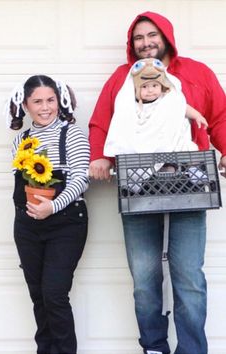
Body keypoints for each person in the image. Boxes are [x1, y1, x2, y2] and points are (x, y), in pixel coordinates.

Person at [88, 11, 226, 354]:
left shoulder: (196, 73)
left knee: (189, 277)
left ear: (166, 36)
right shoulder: (122, 78)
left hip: (189, 183)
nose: (146, 43)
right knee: (144, 279)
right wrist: (98, 157)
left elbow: (220, 115)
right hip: (137, 184)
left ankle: (193, 350)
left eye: (152, 35)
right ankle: (153, 347)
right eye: (138, 38)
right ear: (131, 44)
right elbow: (101, 121)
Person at [7, 75, 90, 354]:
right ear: (26, 106)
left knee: (54, 294)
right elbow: (22, 180)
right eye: (37, 101)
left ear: (60, 101)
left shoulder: (72, 134)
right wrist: (31, 210)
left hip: (66, 223)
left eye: (50, 100)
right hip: (27, 226)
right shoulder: (22, 139)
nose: (45, 107)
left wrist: (52, 207)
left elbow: (81, 179)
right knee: (38, 296)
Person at [104, 57, 208, 157]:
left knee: (182, 141)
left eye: (155, 86)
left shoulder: (167, 100)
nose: (150, 90)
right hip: (146, 145)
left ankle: (180, 165)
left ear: (162, 85)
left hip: (167, 141)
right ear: (136, 89)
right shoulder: (133, 106)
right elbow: (128, 124)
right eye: (144, 87)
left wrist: (197, 116)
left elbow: (182, 107)